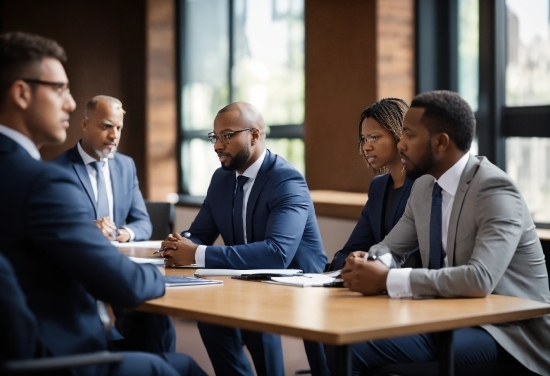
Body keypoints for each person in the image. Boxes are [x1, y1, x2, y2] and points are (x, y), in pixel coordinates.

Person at [0, 31, 205, 376]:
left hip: (18, 351)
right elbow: (122, 284)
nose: (68, 102)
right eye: (60, 89)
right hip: (59, 360)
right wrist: (164, 276)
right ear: (21, 93)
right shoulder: (43, 182)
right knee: (183, 367)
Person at [340, 90, 550, 375]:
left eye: (409, 136)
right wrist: (372, 263)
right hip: (447, 317)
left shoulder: (494, 189)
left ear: (440, 143)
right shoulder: (425, 187)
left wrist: (387, 278)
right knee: (346, 344)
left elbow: (479, 279)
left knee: (359, 351)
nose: (400, 144)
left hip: (507, 333)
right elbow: (391, 247)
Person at [160, 102, 328, 376]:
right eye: (215, 137)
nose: (217, 145)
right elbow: (200, 233)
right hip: (246, 284)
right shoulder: (221, 179)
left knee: (257, 323)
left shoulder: (286, 180)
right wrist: (178, 244)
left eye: (227, 135)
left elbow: (276, 254)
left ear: (254, 135)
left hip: (295, 288)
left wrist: (194, 253)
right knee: (211, 319)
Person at [329, 97, 421, 271]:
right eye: (364, 139)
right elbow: (349, 251)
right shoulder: (378, 187)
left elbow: (418, 260)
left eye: (374, 137)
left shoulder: (424, 185)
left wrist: (371, 265)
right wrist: (351, 260)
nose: (366, 147)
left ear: (399, 134)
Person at [53, 95, 151, 242]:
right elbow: (53, 226)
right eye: (106, 126)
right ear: (85, 125)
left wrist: (120, 234)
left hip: (118, 257)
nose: (114, 136)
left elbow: (143, 223)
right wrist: (89, 230)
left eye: (119, 128)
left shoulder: (126, 166)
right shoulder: (57, 169)